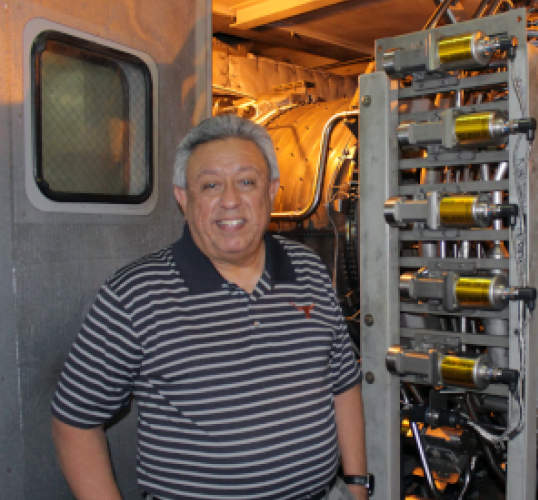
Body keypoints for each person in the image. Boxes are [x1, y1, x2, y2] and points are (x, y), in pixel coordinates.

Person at [51, 115, 369, 500]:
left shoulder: (309, 270)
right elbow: (75, 422)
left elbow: (343, 382)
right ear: (184, 198)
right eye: (211, 185)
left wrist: (356, 485)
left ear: (271, 191)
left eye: (247, 182)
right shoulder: (134, 295)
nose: (230, 200)